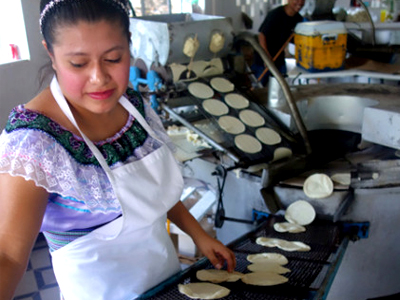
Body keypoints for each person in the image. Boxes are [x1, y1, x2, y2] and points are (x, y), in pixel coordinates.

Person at [0, 0, 236, 299]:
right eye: (78, 63)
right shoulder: (35, 142)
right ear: (51, 53)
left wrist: (198, 234)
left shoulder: (133, 106)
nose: (99, 78)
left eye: (113, 58)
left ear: (129, 45)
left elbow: (150, 190)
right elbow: (8, 254)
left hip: (166, 284)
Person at [258, 0, 305, 77]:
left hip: (279, 60)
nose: (300, 2)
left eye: (303, 0)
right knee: (259, 87)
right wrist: (266, 58)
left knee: (281, 86)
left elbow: (295, 40)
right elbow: (261, 35)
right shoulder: (276, 14)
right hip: (264, 60)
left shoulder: (298, 19)